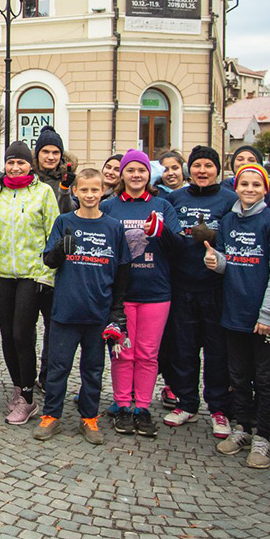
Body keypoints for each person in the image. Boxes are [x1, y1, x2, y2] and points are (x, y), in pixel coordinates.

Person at [33, 168, 133, 445]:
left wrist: (117, 310)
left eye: (95, 190)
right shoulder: (64, 221)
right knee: (58, 366)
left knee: (93, 368)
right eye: (84, 189)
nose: (89, 195)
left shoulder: (113, 227)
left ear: (103, 191)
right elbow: (48, 261)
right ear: (75, 191)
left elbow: (122, 271)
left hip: (98, 311)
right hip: (66, 309)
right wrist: (59, 250)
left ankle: (89, 417)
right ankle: (51, 414)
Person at [205, 162, 270, 469]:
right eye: (245, 184)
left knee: (266, 379)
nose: (250, 189)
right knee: (239, 376)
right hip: (234, 313)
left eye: (256, 185)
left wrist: (269, 314)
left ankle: (263, 437)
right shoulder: (228, 221)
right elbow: (231, 262)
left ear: (266, 189)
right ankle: (242, 427)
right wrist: (216, 262)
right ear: (236, 188)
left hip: (265, 318)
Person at [100, 149, 177, 437]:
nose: (135, 175)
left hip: (156, 292)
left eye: (141, 170)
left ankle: (142, 408)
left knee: (147, 354)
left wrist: (162, 231)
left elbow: (178, 247)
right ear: (122, 174)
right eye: (130, 170)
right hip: (121, 294)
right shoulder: (110, 206)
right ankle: (122, 405)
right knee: (123, 353)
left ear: (149, 175)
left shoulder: (162, 205)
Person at [161, 145, 237, 437]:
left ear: (218, 169)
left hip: (216, 288)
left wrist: (217, 241)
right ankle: (187, 402)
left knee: (217, 351)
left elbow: (238, 237)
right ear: (188, 170)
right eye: (197, 166)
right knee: (183, 348)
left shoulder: (230, 200)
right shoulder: (175, 199)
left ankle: (219, 409)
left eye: (208, 165)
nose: (202, 171)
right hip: (182, 285)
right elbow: (168, 238)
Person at [0, 141, 61, 425]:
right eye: (10, 162)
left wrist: (48, 273)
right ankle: (19, 387)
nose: (15, 167)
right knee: (7, 335)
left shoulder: (43, 192)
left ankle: (29, 397)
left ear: (30, 165)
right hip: (1, 272)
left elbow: (53, 234)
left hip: (33, 274)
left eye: (20, 162)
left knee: (22, 333)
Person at [33, 126, 75, 214]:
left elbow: (72, 212)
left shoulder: (71, 180)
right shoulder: (28, 177)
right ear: (37, 154)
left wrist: (65, 189)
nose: (51, 157)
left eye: (55, 152)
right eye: (45, 152)